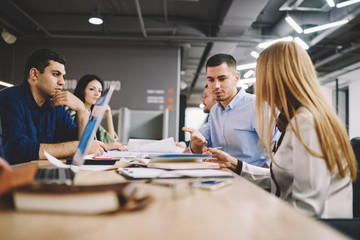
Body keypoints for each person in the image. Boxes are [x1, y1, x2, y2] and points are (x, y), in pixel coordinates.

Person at [205, 41, 357, 218]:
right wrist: (237, 165)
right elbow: (282, 180)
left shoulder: (306, 123)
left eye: (260, 77)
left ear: (275, 79)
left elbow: (308, 210)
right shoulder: (295, 120)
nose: (258, 84)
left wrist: (258, 216)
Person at [0, 49, 106, 164]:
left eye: (63, 76)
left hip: (41, 172)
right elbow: (19, 149)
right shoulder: (8, 98)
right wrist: (78, 147)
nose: (62, 82)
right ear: (34, 74)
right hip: (14, 176)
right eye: (56, 74)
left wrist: (81, 109)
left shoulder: (56, 105)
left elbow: (85, 146)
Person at [183, 53, 271, 167]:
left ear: (236, 78)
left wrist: (261, 178)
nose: (216, 86)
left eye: (222, 79)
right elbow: (202, 143)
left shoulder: (256, 105)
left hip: (251, 179)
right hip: (223, 175)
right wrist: (196, 144)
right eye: (211, 80)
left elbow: (276, 150)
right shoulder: (215, 111)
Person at [70, 74, 126, 151]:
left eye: (100, 91)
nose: (97, 94)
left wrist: (108, 115)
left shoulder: (92, 113)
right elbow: (82, 145)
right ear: (82, 90)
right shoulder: (72, 112)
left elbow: (112, 141)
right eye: (92, 89)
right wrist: (106, 146)